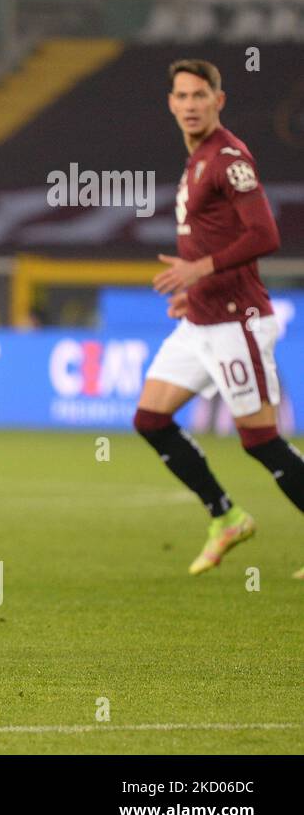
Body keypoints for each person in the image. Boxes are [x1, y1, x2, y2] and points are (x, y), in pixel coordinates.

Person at [137, 58, 303, 579]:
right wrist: (195, 289)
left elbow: (264, 236)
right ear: (171, 103)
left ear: (218, 100)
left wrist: (199, 270)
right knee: (150, 419)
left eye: (199, 96)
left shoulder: (230, 158)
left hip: (238, 322)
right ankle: (226, 515)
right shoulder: (195, 160)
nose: (190, 105)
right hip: (201, 320)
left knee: (260, 440)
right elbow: (219, 237)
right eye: (181, 96)